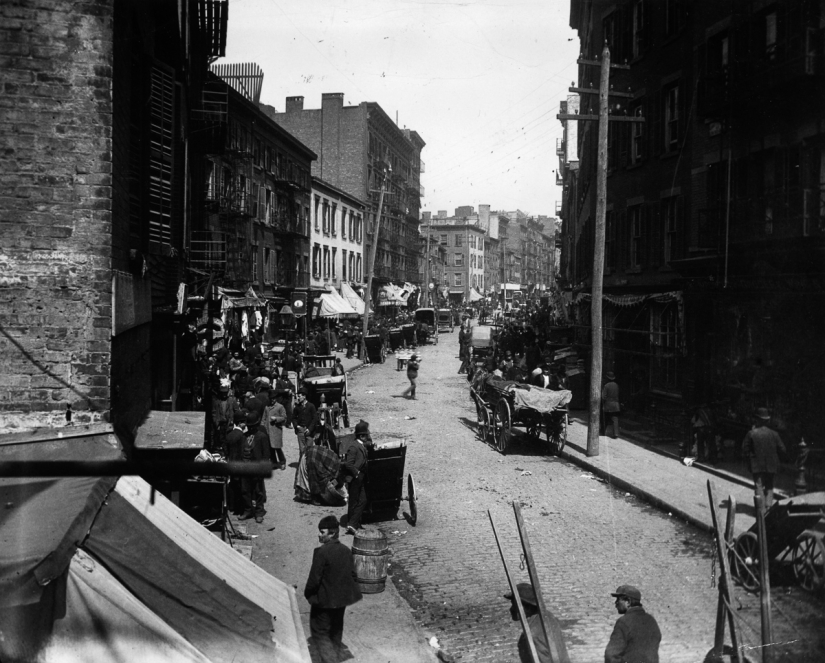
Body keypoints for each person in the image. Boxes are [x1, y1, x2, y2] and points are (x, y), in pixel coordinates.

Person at [304, 515, 363, 663]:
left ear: (332, 533)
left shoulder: (322, 553)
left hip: (324, 602)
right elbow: (353, 575)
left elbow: (314, 581)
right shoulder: (345, 551)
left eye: (322, 532)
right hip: (341, 601)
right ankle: (334, 657)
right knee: (335, 632)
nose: (319, 534)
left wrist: (308, 594)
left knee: (320, 633)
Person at [504, 582, 570, 663]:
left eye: (514, 605)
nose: (511, 609)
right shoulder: (547, 615)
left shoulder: (532, 637)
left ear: (527, 608)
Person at [742, 407, 787, 508]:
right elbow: (783, 449)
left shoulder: (751, 433)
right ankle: (768, 507)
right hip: (771, 465)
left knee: (759, 486)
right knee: (769, 486)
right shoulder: (775, 434)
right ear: (767, 421)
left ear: (757, 420)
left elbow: (744, 450)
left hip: (756, 465)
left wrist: (749, 461)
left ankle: (760, 510)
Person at [605, 585, 661, 663]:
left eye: (618, 599)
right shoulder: (651, 620)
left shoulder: (624, 622)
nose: (616, 603)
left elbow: (611, 655)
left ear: (628, 602)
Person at [338, 420, 371, 534]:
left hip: (360, 477)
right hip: (354, 477)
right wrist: (356, 473)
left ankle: (353, 523)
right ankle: (352, 524)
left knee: (363, 500)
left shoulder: (361, 445)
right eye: (366, 435)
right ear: (361, 436)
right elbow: (348, 464)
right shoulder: (353, 447)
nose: (367, 437)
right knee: (354, 501)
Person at [240, 410, 269, 523]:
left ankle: (259, 511)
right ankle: (248, 510)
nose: (251, 428)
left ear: (257, 425)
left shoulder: (262, 437)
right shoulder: (244, 436)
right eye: (249, 426)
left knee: (258, 491)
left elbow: (266, 455)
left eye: (253, 426)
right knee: (245, 490)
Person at [305, 437, 345, 506]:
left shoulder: (336, 459)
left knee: (321, 476)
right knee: (314, 477)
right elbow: (332, 477)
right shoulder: (336, 467)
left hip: (317, 453)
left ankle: (318, 494)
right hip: (313, 456)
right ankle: (314, 498)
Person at [264, 388, 287, 470]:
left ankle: (282, 461)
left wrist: (276, 419)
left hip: (276, 430)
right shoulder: (267, 407)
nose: (272, 400)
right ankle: (274, 462)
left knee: (277, 447)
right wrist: (263, 427)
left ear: (276, 399)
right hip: (268, 430)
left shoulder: (280, 407)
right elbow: (264, 418)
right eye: (271, 399)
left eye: (273, 399)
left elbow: (284, 418)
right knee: (270, 448)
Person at [294, 387, 318, 455]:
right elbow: (293, 418)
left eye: (299, 396)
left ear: (304, 396)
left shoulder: (311, 406)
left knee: (309, 451)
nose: (298, 398)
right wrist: (297, 426)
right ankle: (302, 465)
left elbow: (315, 418)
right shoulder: (297, 407)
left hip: (309, 432)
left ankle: (308, 465)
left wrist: (310, 429)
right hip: (300, 431)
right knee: (302, 450)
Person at [601, 371, 620, 439]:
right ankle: (616, 433)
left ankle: (603, 432)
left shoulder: (606, 386)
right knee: (615, 419)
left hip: (608, 404)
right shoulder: (616, 385)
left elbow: (603, 396)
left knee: (605, 418)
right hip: (616, 404)